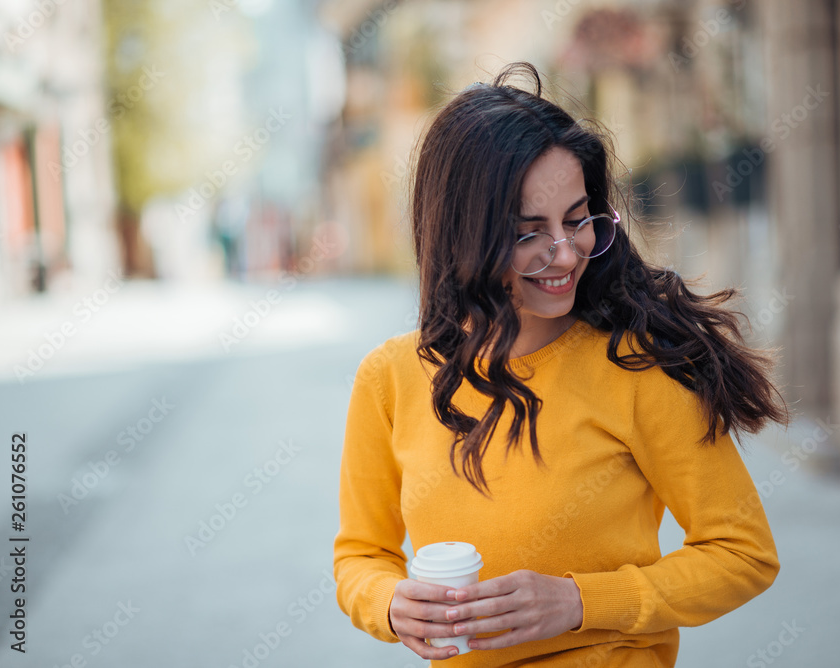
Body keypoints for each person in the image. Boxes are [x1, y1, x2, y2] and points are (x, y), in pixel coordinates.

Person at [333, 62, 791, 667]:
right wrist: (390, 604)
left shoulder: (637, 366)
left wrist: (580, 601)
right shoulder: (388, 379)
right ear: (463, 234)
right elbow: (360, 556)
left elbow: (744, 552)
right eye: (529, 232)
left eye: (577, 220)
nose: (566, 251)